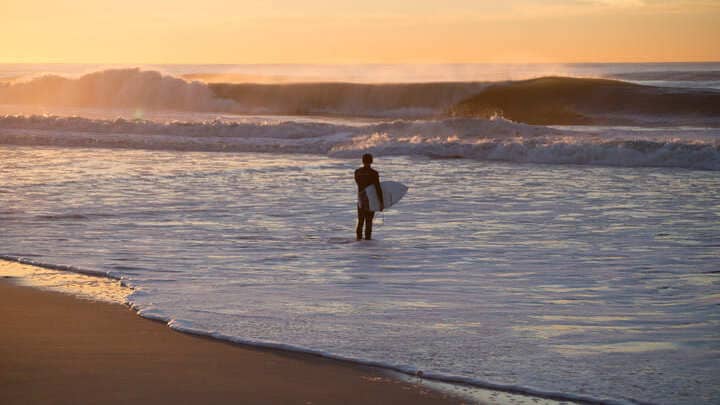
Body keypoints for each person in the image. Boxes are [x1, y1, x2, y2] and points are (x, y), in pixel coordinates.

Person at [355, 153, 384, 240]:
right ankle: (368, 242)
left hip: (361, 198)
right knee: (369, 221)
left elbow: (358, 184)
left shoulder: (357, 172)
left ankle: (358, 240)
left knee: (360, 221)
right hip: (370, 199)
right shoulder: (374, 173)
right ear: (371, 161)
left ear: (362, 161)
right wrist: (381, 202)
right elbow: (377, 188)